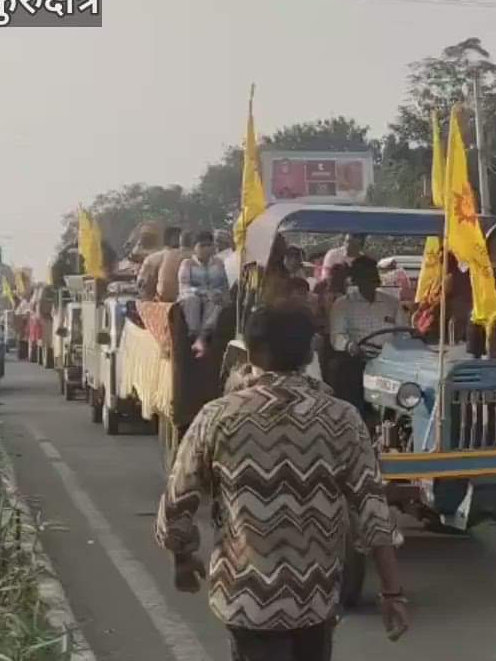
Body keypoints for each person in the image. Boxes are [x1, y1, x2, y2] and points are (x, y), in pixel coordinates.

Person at [156, 306, 409, 660]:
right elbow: (373, 510)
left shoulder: (218, 417)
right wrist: (392, 593)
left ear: (252, 352)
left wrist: (182, 557)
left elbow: (178, 500)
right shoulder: (342, 418)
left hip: (246, 600)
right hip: (315, 601)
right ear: (309, 354)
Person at [329, 257, 403, 412]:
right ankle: (355, 414)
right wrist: (349, 345)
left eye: (372, 278)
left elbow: (403, 333)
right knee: (343, 369)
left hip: (390, 359)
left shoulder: (392, 303)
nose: (369, 283)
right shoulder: (343, 304)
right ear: (356, 280)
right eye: (365, 278)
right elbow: (337, 336)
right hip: (357, 358)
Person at [177, 231, 230, 358]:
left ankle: (201, 337)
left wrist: (219, 294)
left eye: (209, 245)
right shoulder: (187, 263)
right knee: (192, 300)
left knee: (216, 302)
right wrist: (204, 293)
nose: (206, 249)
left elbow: (224, 285)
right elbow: (184, 286)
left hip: (213, 296)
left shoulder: (218, 263)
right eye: (202, 246)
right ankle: (194, 334)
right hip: (191, 295)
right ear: (194, 247)